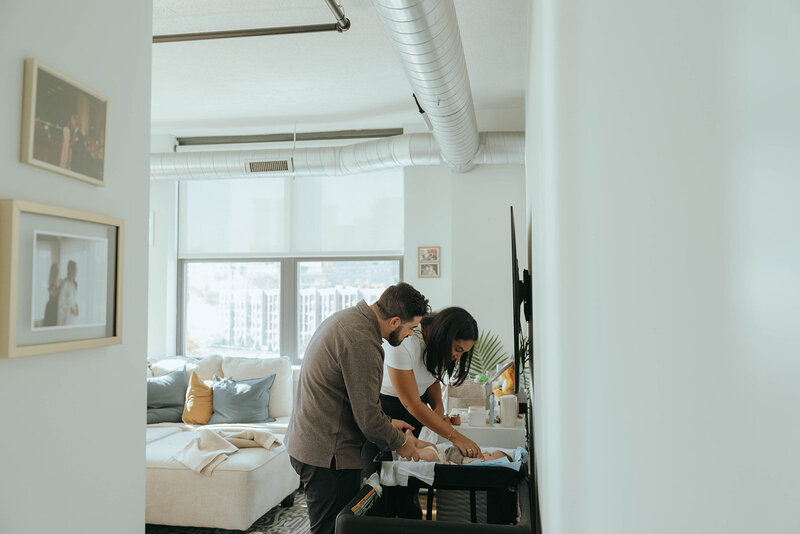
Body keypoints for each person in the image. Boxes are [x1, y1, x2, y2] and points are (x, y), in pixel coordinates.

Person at [286, 282, 434, 534]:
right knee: (333, 530)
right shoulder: (362, 342)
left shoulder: (349, 319)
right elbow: (367, 419)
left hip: (311, 443)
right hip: (328, 454)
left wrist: (388, 423)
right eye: (411, 328)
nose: (411, 335)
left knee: (342, 527)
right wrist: (403, 443)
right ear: (395, 321)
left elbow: (353, 400)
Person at [362, 306, 482, 518]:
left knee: (408, 485)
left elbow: (430, 375)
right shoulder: (405, 340)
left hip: (413, 413)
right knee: (378, 487)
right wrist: (456, 437)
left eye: (462, 352)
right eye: (457, 349)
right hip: (384, 412)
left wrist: (438, 407)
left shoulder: (438, 347)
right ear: (445, 334)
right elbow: (411, 403)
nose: (456, 356)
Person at [57, 260, 79, 326]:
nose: (76, 271)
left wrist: (77, 309)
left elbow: (74, 300)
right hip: (66, 319)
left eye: (76, 269)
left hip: (73, 318)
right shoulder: (65, 284)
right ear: (70, 270)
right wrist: (71, 309)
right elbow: (61, 303)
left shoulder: (75, 284)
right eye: (75, 269)